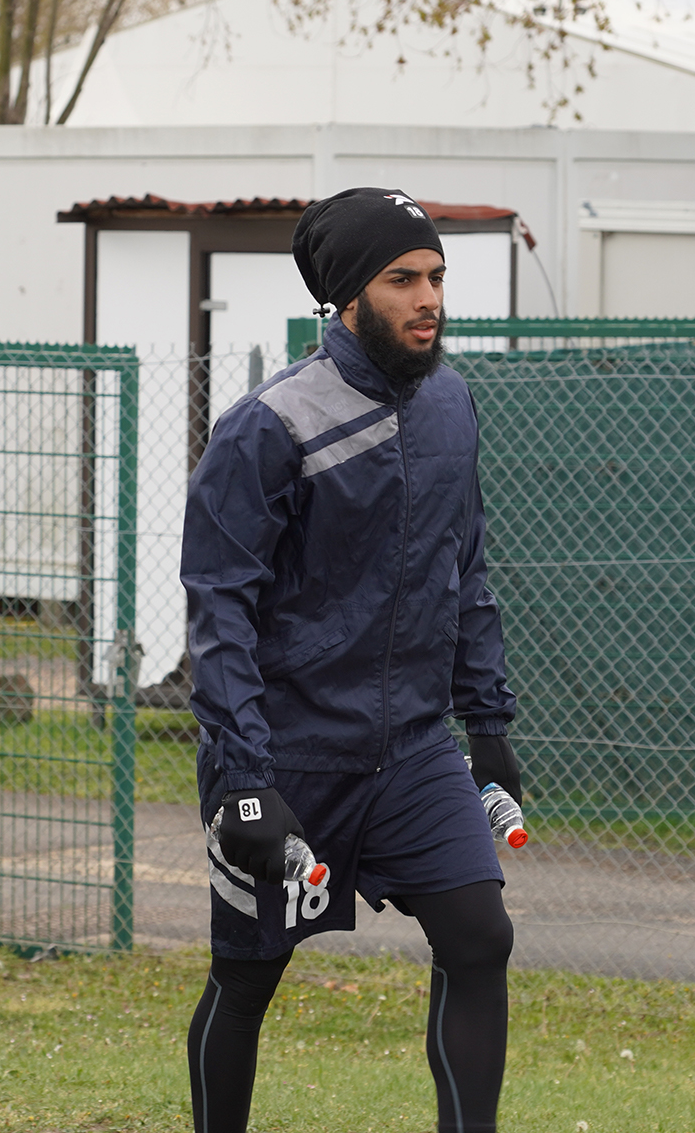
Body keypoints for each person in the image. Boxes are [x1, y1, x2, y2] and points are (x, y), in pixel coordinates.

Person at [180, 187, 523, 1133]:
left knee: (480, 936)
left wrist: (488, 724)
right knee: (246, 979)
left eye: (437, 277)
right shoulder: (269, 425)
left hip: (413, 751)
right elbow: (219, 612)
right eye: (403, 278)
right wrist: (245, 781)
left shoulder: (452, 405)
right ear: (346, 295)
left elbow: (467, 570)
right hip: (287, 756)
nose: (429, 298)